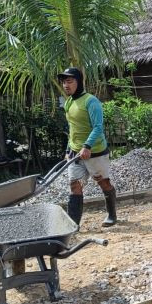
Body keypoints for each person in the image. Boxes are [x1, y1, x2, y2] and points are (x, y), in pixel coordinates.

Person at [58, 67, 117, 227]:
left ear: (79, 81)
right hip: (76, 153)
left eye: (70, 81)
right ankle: (73, 225)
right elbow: (73, 128)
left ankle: (112, 214)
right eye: (64, 82)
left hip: (95, 152)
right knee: (74, 185)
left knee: (103, 183)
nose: (66, 85)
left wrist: (87, 146)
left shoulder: (91, 101)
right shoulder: (69, 102)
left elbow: (98, 127)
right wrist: (69, 149)